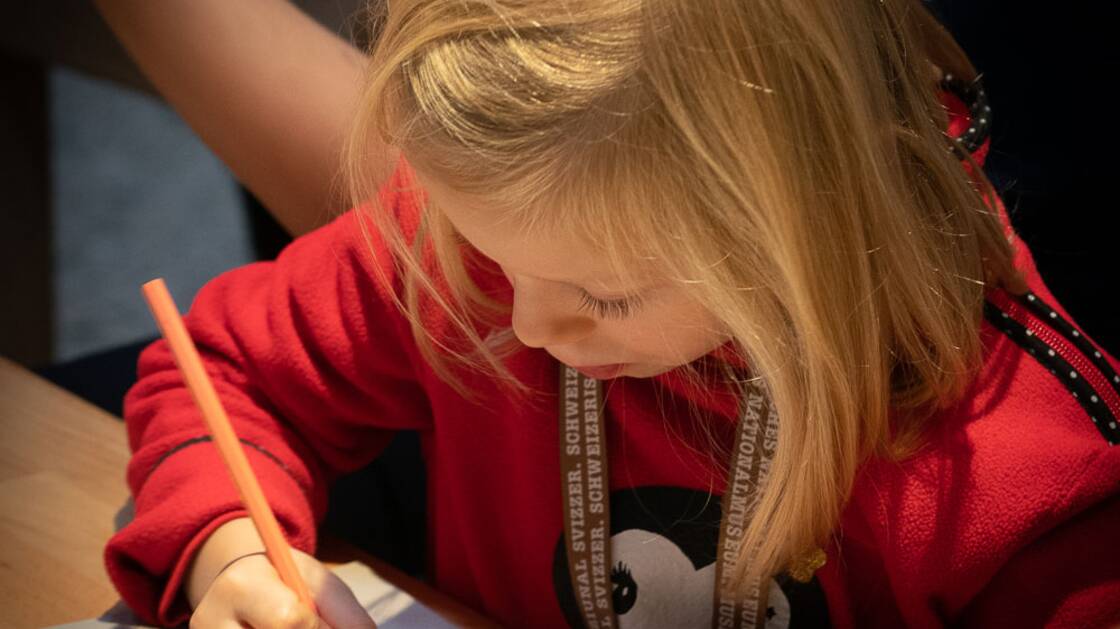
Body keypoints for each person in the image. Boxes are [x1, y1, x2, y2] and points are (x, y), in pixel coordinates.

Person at [102, 0, 1120, 627]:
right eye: (500, 261)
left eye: (605, 295)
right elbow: (225, 373)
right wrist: (230, 550)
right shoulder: (482, 247)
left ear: (797, 235)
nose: (528, 323)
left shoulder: (1026, 464)